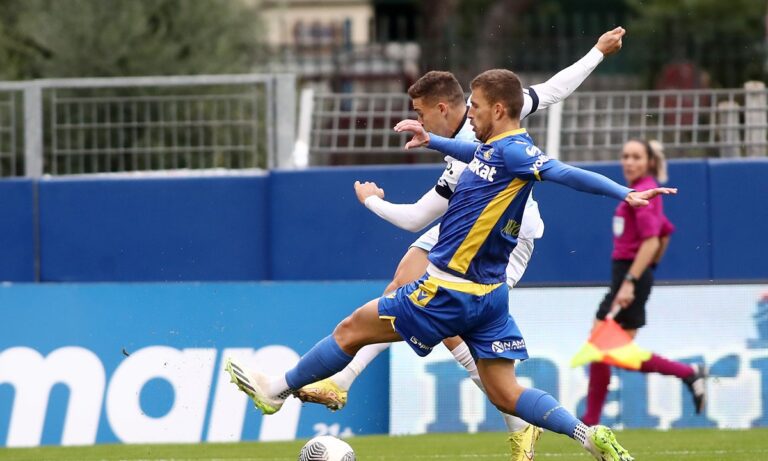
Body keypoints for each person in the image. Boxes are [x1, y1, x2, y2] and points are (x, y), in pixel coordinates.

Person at [226, 67, 674, 460]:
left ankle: (276, 391)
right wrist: (432, 140)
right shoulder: (492, 147)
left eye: (475, 106)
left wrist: (624, 193)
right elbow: (476, 153)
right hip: (489, 299)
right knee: (507, 393)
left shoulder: (516, 153)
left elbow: (565, 173)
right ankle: (586, 435)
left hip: (448, 290)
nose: (469, 113)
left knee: (351, 329)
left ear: (498, 109)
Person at [296, 27, 625, 461]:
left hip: (503, 238)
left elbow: (417, 217)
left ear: (441, 108)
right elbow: (553, 89)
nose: (418, 121)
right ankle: (342, 381)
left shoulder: (477, 143)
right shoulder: (488, 111)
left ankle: (519, 421)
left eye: (420, 113)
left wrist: (372, 202)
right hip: (462, 227)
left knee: (452, 321)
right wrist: (597, 52)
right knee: (403, 282)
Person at [581, 139, 707, 425]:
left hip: (629, 276)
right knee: (604, 349)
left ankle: (687, 373)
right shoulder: (643, 190)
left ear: (649, 162)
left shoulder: (644, 193)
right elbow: (665, 233)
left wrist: (632, 280)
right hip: (629, 275)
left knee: (604, 348)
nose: (629, 162)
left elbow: (651, 242)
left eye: (636, 157)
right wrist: (647, 270)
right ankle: (591, 421)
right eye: (625, 156)